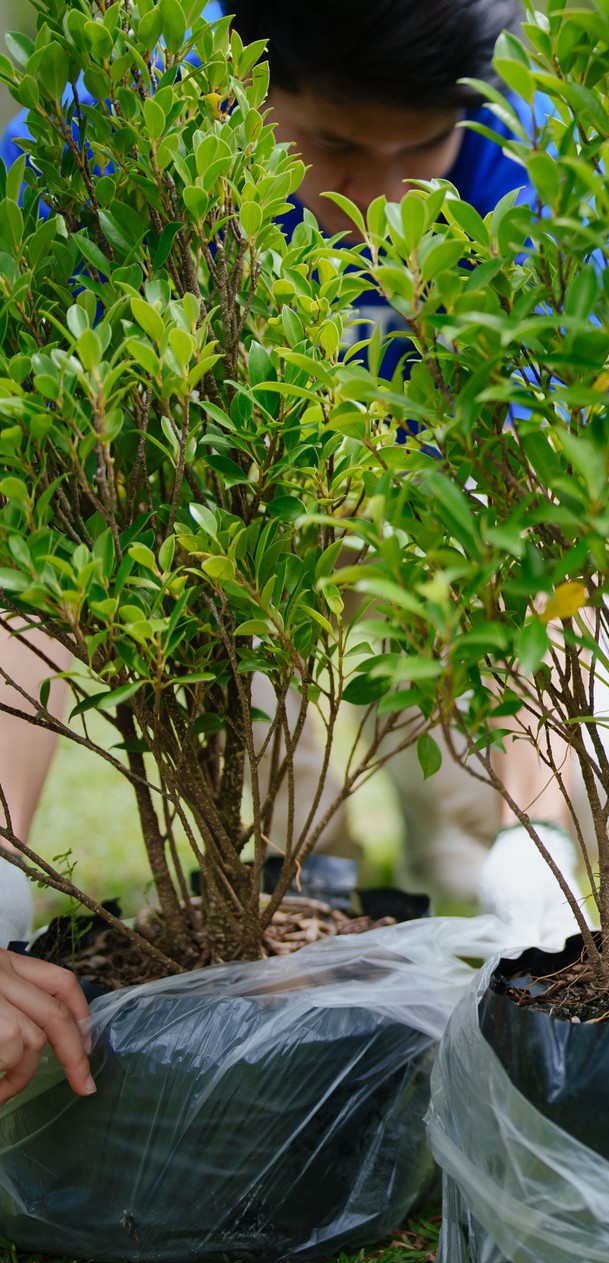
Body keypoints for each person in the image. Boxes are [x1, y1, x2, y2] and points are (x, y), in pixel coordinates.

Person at [0, 0, 574, 1098]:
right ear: (236, 83)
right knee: (269, 835)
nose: (382, 199)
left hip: (441, 531)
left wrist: (534, 822)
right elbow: (32, 533)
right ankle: (307, 869)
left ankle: (452, 840)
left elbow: (547, 512)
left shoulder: (526, 148)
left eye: (421, 153)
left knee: (474, 844)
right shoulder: (98, 143)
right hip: (220, 535)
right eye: (334, 148)